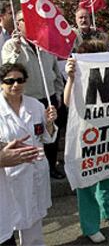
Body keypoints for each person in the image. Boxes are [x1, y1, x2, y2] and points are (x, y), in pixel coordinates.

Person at [64, 40, 109, 244]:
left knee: (108, 172)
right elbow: (67, 101)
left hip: (108, 131)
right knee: (86, 180)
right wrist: (70, 78)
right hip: (86, 133)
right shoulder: (77, 71)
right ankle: (91, 226)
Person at [2, 10, 65, 179]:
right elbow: (7, 71)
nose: (27, 23)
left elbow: (55, 72)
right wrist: (15, 50)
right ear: (17, 24)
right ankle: (27, 168)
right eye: (22, 20)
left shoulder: (45, 44)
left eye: (31, 19)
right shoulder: (10, 45)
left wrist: (57, 93)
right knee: (29, 136)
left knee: (51, 132)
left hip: (48, 96)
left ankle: (51, 167)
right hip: (27, 99)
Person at [0, 63, 58, 246]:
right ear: (1, 83)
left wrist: (49, 123)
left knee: (33, 226)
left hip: (35, 172)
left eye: (20, 80)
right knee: (7, 227)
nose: (15, 85)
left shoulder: (35, 105)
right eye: (9, 81)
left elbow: (46, 138)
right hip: (9, 178)